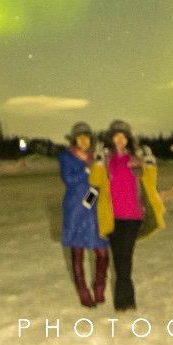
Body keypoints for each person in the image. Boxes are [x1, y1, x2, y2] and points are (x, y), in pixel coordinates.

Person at [89, 118, 166, 311]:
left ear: (128, 139)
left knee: (126, 258)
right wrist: (98, 162)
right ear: (111, 139)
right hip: (113, 216)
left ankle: (126, 302)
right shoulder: (108, 160)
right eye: (116, 136)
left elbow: (150, 181)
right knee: (119, 259)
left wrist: (149, 164)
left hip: (133, 215)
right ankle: (125, 302)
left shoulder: (135, 159)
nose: (120, 140)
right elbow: (96, 181)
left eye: (123, 137)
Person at [56, 120, 109, 307]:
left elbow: (106, 179)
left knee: (102, 252)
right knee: (77, 252)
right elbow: (69, 179)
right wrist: (88, 169)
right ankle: (83, 291)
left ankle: (99, 286)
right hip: (75, 209)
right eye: (80, 139)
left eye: (87, 138)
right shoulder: (67, 159)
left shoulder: (96, 157)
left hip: (94, 208)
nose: (84, 142)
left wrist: (103, 164)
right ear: (74, 141)